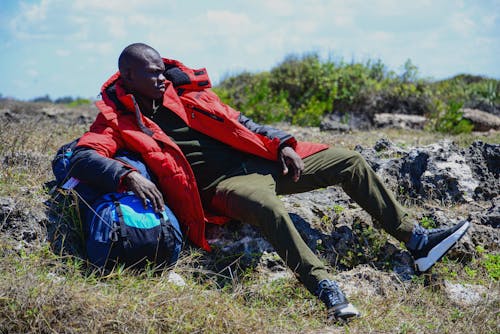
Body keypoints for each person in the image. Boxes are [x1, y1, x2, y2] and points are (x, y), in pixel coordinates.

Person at [70, 43, 470, 322]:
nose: (161, 79)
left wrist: (281, 143)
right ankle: (326, 288)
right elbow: (85, 155)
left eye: (162, 71)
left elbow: (240, 121)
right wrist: (125, 174)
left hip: (263, 163)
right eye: (151, 74)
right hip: (223, 188)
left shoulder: (186, 92)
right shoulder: (116, 120)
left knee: (349, 161)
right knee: (270, 209)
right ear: (127, 76)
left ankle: (417, 241)